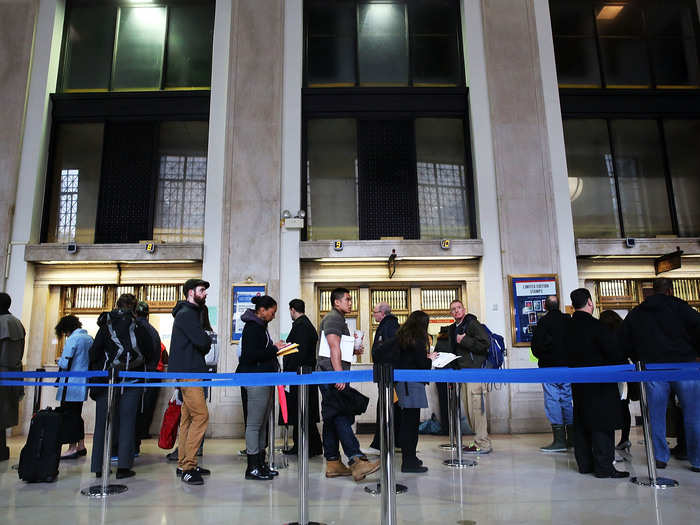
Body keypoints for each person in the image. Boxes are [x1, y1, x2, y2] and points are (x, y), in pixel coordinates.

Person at [620, 277, 700, 472]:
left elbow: (624, 339)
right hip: (685, 366)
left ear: (651, 291)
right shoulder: (682, 308)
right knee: (693, 415)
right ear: (670, 291)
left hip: (653, 368)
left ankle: (660, 457)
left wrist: (639, 357)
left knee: (655, 416)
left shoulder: (637, 312)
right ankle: (697, 459)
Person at [89, 293, 155, 479]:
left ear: (116, 305)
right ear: (134, 308)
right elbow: (150, 352)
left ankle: (98, 466)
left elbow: (94, 353)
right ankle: (124, 467)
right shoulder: (139, 327)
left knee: (102, 423)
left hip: (106, 380)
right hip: (131, 380)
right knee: (127, 423)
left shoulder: (106, 325)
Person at [318, 287, 380, 481]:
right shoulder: (334, 318)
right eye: (347, 300)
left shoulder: (336, 319)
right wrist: (340, 376)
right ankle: (356, 460)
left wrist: (352, 351)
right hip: (332, 375)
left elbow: (336, 349)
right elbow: (333, 346)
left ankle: (333, 462)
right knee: (341, 415)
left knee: (331, 417)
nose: (350, 303)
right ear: (337, 302)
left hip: (328, 374)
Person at [565, 288, 628, 479]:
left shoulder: (567, 327)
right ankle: (603, 467)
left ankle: (584, 464)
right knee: (602, 423)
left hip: (577, 382)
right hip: (601, 382)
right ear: (590, 303)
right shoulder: (598, 327)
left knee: (582, 421)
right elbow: (615, 354)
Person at [375, 310, 437, 472]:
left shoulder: (403, 336)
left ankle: (411, 458)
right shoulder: (417, 339)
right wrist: (429, 359)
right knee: (410, 424)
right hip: (412, 385)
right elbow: (421, 364)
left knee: (406, 422)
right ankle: (408, 462)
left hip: (402, 385)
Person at [169, 279, 213, 485]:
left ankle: (184, 463)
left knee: (187, 418)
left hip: (189, 371)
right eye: (201, 290)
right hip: (190, 372)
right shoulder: (187, 315)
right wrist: (204, 337)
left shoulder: (189, 313)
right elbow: (204, 343)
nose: (204, 294)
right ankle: (188, 467)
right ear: (190, 292)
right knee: (201, 416)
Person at [237, 295, 285, 481]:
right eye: (272, 313)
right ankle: (252, 466)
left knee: (262, 424)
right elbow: (249, 355)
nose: (273, 316)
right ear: (262, 310)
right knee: (254, 425)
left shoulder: (260, 327)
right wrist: (275, 349)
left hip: (263, 379)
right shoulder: (253, 327)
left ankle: (261, 463)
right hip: (255, 380)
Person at [448, 299, 492, 454]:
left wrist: (464, 340)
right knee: (469, 411)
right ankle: (478, 441)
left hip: (475, 372)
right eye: (453, 309)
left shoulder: (472, 323)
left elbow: (485, 343)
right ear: (451, 313)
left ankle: (484, 443)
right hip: (463, 372)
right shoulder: (454, 328)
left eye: (459, 308)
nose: (456, 311)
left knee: (477, 409)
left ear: (464, 309)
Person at [531, 296, 573, 452]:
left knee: (552, 400)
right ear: (559, 305)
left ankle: (559, 440)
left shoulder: (543, 322)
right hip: (568, 367)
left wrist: (544, 355)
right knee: (567, 399)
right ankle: (572, 438)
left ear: (545, 306)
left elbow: (536, 346)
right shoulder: (568, 320)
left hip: (549, 368)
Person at [283, 299, 322, 457]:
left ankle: (305, 446)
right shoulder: (307, 325)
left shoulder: (301, 327)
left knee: (301, 411)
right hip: (306, 374)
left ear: (292, 310)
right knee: (305, 412)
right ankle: (310, 445)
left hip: (299, 375)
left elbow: (296, 352)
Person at [54, 315, 93, 459]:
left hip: (69, 384)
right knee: (77, 415)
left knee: (69, 416)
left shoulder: (73, 339)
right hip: (82, 382)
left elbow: (65, 363)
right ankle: (81, 445)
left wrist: (58, 360)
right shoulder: (89, 339)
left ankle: (72, 448)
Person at [598, 309, 635, 452]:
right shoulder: (623, 333)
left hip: (607, 373)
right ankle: (624, 438)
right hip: (624, 373)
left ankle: (609, 439)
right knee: (624, 407)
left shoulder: (603, 335)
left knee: (608, 406)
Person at [368, 302, 400, 453]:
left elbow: (388, 349)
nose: (373, 315)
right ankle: (386, 441)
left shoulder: (389, 326)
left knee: (386, 406)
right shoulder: (388, 325)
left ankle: (383, 442)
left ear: (383, 313)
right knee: (387, 406)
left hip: (387, 375)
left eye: (375, 312)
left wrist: (377, 354)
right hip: (386, 374)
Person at [134, 301, 162, 454]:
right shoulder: (153, 330)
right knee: (146, 409)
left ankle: (133, 443)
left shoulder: (136, 328)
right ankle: (139, 437)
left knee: (136, 410)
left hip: (140, 374)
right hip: (153, 373)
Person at [0, 293, 25, 462]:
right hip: (13, 372)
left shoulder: (1, 322)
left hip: (2, 372)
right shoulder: (17, 322)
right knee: (3, 415)